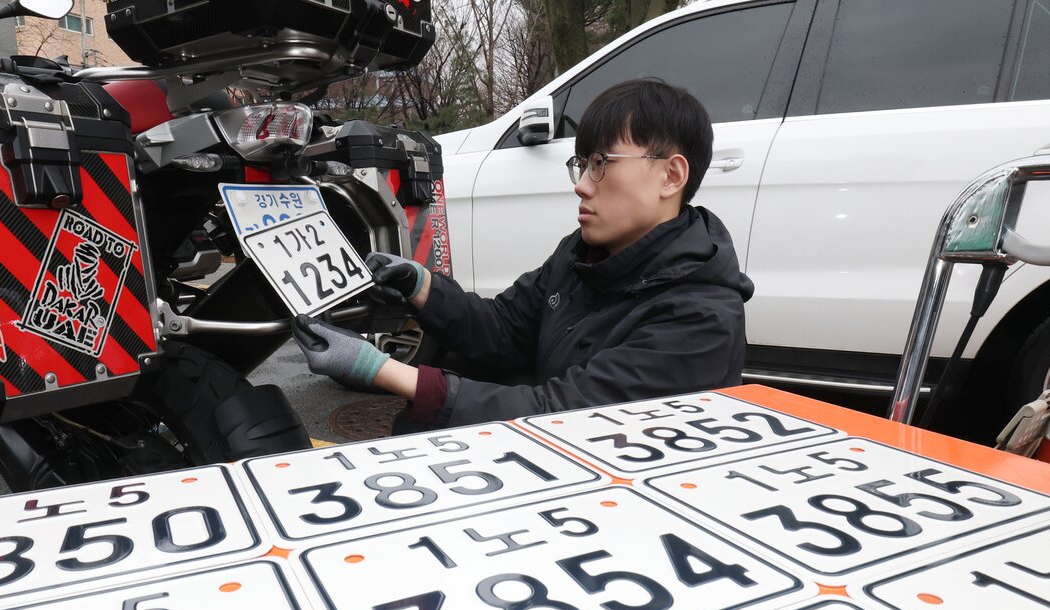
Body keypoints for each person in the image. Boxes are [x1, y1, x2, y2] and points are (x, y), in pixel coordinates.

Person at [291, 78, 753, 431]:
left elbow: (564, 413)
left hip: (621, 492)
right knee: (424, 413)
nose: (581, 184)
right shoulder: (584, 255)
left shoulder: (700, 317)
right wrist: (421, 286)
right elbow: (503, 330)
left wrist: (378, 369)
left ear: (671, 176)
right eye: (582, 163)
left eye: (602, 164)